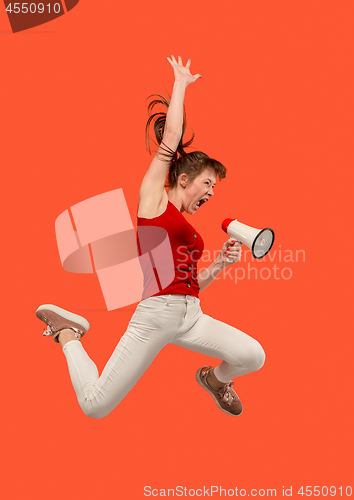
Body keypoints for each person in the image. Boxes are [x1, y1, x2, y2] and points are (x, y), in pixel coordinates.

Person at [36, 56, 265, 419]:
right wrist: (180, 84)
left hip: (191, 315)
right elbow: (171, 138)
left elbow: (189, 286)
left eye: (215, 188)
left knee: (253, 356)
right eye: (208, 183)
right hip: (155, 317)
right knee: (95, 406)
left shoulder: (188, 230)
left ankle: (214, 380)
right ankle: (68, 333)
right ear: (184, 179)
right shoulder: (154, 201)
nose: (211, 193)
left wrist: (220, 263)